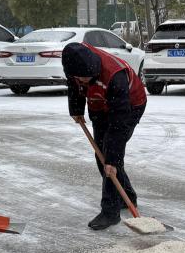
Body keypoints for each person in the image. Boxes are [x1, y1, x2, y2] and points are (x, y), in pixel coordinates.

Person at [62, 41, 147, 230]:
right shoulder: (73, 60)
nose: (85, 82)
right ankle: (127, 196)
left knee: (110, 157)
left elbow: (118, 126)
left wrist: (112, 159)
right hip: (99, 105)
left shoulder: (115, 77)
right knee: (101, 155)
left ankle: (110, 212)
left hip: (130, 106)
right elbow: (73, 85)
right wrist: (76, 109)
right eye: (83, 79)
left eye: (89, 79)